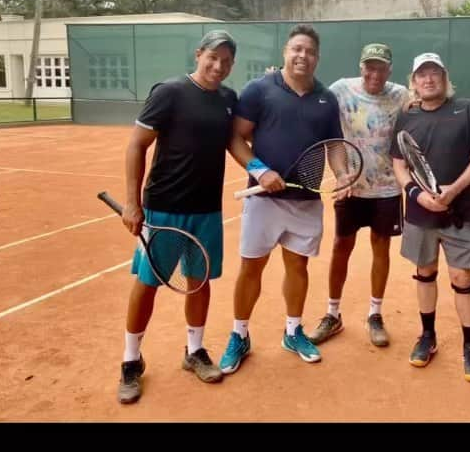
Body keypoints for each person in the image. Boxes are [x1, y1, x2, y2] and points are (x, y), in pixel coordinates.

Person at [117, 30, 239, 405]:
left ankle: (194, 351)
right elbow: (137, 145)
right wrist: (132, 203)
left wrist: (261, 168)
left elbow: (234, 143)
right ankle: (130, 361)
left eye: (226, 61)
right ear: (199, 54)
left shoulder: (228, 100)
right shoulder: (169, 92)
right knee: (147, 283)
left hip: (206, 209)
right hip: (163, 207)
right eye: (212, 57)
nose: (218, 66)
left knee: (199, 281)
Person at [220, 25, 345, 373]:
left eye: (309, 51)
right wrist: (260, 171)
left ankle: (293, 332)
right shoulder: (260, 90)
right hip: (264, 201)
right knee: (251, 267)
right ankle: (240, 334)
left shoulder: (326, 99)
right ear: (285, 53)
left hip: (305, 200)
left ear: (317, 58)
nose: (302, 56)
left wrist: (344, 172)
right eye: (296, 49)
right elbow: (235, 138)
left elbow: (334, 145)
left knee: (298, 267)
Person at [390, 53, 470, 383]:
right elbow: (399, 164)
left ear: (445, 78)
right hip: (420, 214)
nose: (428, 79)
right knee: (425, 272)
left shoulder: (467, 110)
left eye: (434, 73)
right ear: (414, 81)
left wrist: (453, 191)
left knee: (461, 278)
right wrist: (416, 194)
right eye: (422, 75)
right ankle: (427, 336)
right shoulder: (406, 117)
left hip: (458, 213)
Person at [308, 44, 408, 349]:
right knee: (341, 247)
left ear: (389, 70)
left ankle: (375, 314)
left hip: (387, 188)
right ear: (361, 66)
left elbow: (429, 104)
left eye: (381, 68)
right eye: (369, 67)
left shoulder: (401, 95)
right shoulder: (340, 90)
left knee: (381, 248)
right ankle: (332, 313)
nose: (374, 74)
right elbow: (313, 98)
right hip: (350, 186)